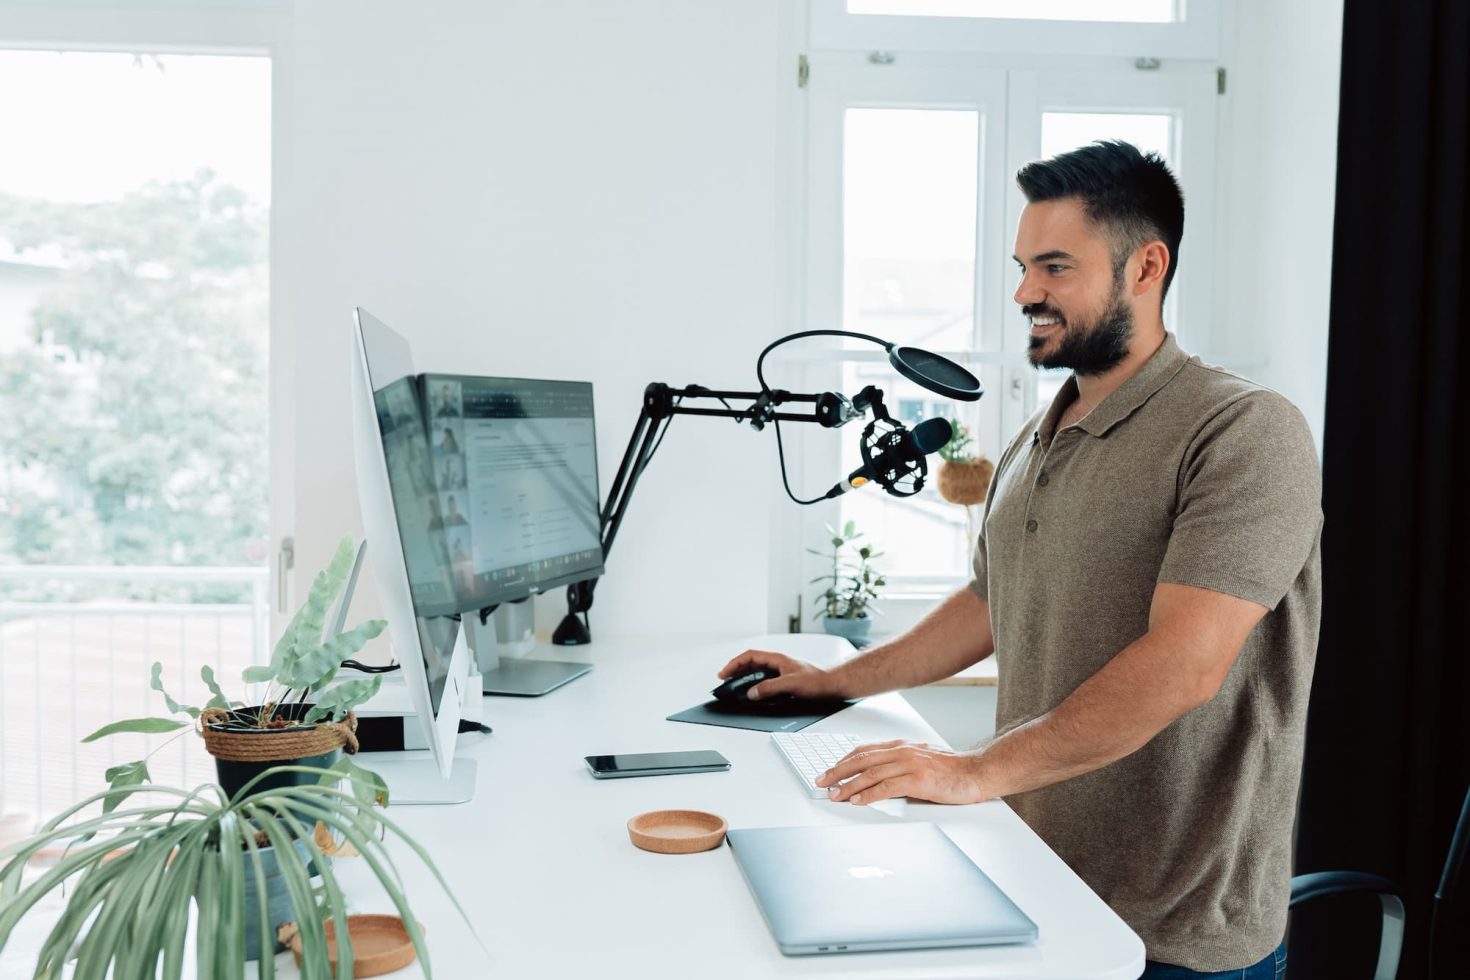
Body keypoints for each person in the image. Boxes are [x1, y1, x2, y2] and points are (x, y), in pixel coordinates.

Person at [719, 140, 1320, 978]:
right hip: (1034, 883)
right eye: (1022, 266)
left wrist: (973, 770)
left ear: (1146, 268)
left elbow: (1185, 664)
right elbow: (988, 604)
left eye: (1054, 267)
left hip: (1175, 934)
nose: (1024, 293)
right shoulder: (1037, 440)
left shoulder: (1242, 430)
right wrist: (835, 679)